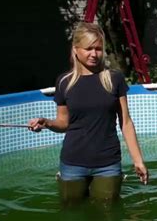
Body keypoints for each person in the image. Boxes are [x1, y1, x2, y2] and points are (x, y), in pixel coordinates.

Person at [29, 22, 148, 205]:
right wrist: (47, 123)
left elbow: (126, 122)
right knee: (72, 217)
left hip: (108, 163)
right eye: (88, 48)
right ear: (76, 49)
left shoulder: (113, 79)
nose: (94, 54)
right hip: (73, 163)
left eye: (98, 49)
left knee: (108, 214)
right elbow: (63, 123)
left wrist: (138, 160)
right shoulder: (64, 82)